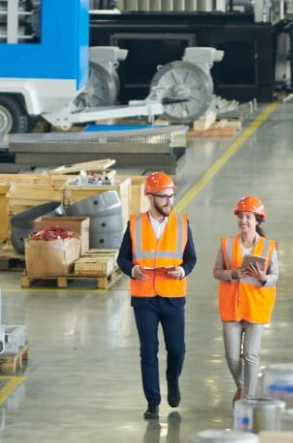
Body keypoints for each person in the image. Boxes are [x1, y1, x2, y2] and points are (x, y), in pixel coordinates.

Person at [116, 172, 197, 420]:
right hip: (144, 299)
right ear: (150, 198)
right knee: (148, 350)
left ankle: (172, 380)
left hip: (173, 297)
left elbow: (191, 258)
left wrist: (182, 270)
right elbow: (122, 258)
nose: (169, 202)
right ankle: (153, 402)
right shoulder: (135, 224)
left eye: (171, 197)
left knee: (177, 350)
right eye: (163, 197)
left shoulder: (182, 224)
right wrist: (133, 269)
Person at [213, 196, 278, 401]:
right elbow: (216, 271)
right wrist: (232, 274)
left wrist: (263, 278)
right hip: (231, 307)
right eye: (241, 217)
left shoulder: (268, 247)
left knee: (250, 355)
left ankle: (248, 399)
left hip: (255, 307)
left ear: (257, 220)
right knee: (232, 357)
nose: (244, 221)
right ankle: (241, 386)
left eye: (248, 217)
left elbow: (275, 276)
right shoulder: (227, 244)